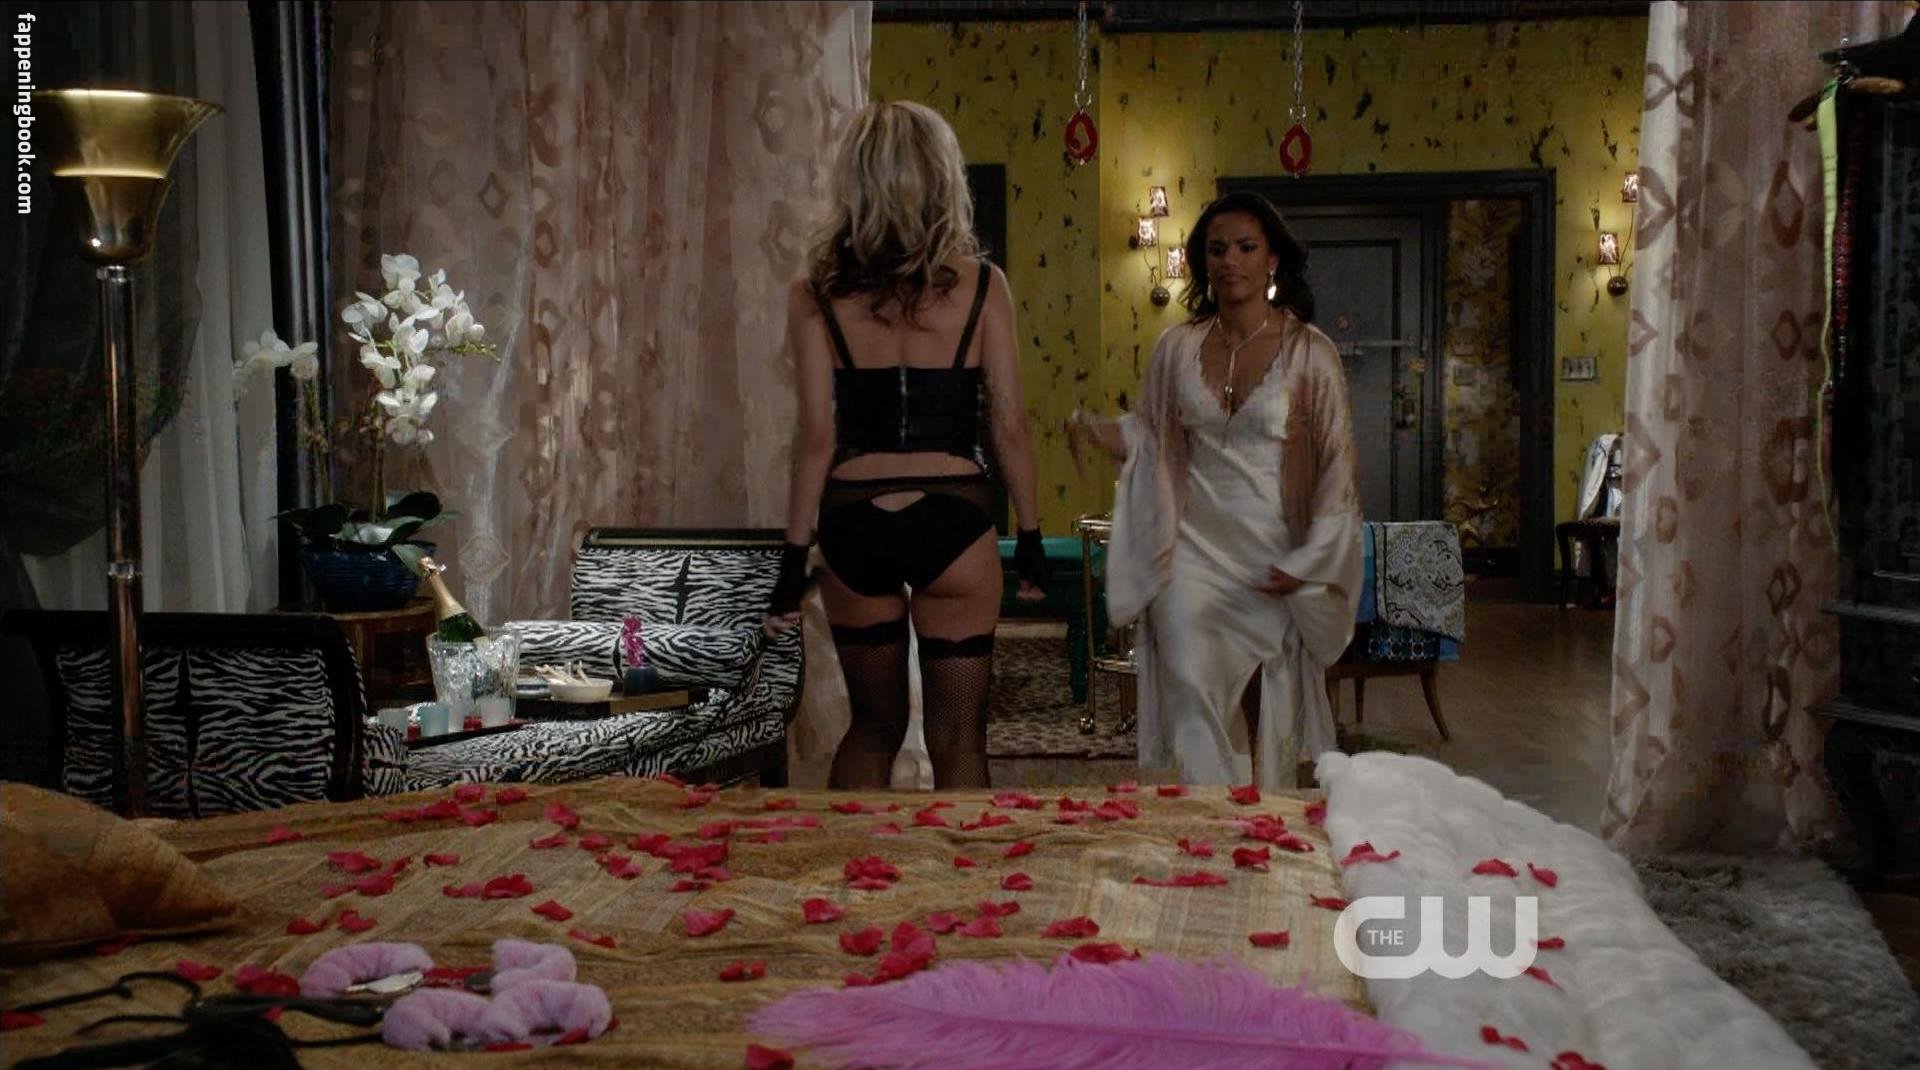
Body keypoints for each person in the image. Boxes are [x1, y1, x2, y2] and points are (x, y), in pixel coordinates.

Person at [763, 100, 1049, 790]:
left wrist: (793, 559)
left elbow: (816, 438)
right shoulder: (984, 287)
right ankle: (963, 862)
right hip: (955, 518)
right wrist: (1033, 535)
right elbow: (1008, 426)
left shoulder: (815, 293)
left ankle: (848, 862)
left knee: (872, 727)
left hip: (853, 522)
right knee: (959, 736)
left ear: (855, 180)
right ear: (941, 176)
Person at [1067, 190, 1362, 789]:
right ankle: (1205, 814)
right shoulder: (1176, 347)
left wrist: (1310, 560)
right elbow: (1152, 432)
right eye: (1217, 249)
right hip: (1191, 552)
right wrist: (1095, 431)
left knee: (1270, 700)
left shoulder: (1311, 354)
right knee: (1187, 681)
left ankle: (1267, 810)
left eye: (1246, 248)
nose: (1230, 261)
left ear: (1271, 259)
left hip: (1273, 554)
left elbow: (1337, 466)